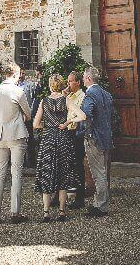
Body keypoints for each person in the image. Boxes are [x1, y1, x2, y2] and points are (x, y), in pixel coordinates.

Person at [34, 74, 85, 222]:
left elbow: (35, 124)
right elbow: (82, 116)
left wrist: (47, 126)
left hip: (49, 138)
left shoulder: (44, 101)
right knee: (63, 174)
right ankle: (62, 211)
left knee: (47, 173)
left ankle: (46, 212)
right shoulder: (66, 100)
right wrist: (68, 121)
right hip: (63, 138)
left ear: (50, 86)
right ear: (62, 85)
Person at [0, 62, 32, 224]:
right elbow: (28, 114)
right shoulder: (18, 91)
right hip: (16, 133)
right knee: (16, 173)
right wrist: (20, 116)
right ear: (15, 74)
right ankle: (15, 212)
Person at [80, 66, 113, 217]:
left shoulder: (90, 94)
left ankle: (100, 205)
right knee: (103, 171)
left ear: (88, 78)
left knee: (98, 171)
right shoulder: (106, 94)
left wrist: (84, 131)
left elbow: (86, 114)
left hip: (95, 137)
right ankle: (101, 202)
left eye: (83, 77)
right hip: (106, 135)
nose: (82, 80)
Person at [66, 71, 86, 209]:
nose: (68, 84)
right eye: (67, 81)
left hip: (76, 133)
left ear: (78, 82)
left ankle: (80, 197)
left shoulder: (82, 97)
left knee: (78, 165)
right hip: (67, 132)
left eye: (70, 81)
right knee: (67, 165)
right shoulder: (69, 96)